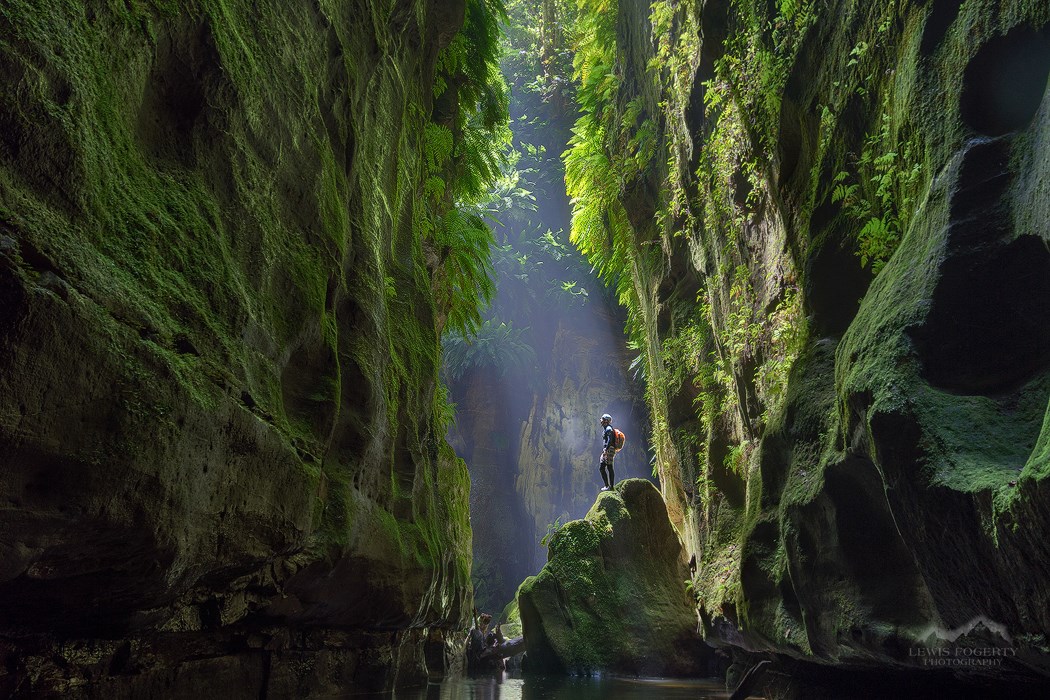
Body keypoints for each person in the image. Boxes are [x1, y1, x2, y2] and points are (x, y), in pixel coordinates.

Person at [599, 413, 616, 490]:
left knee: (609, 467)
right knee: (602, 467)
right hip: (606, 449)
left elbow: (610, 439)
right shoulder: (606, 428)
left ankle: (610, 486)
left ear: (606, 421)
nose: (601, 421)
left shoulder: (609, 429)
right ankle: (607, 485)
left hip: (609, 449)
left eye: (602, 419)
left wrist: (606, 449)